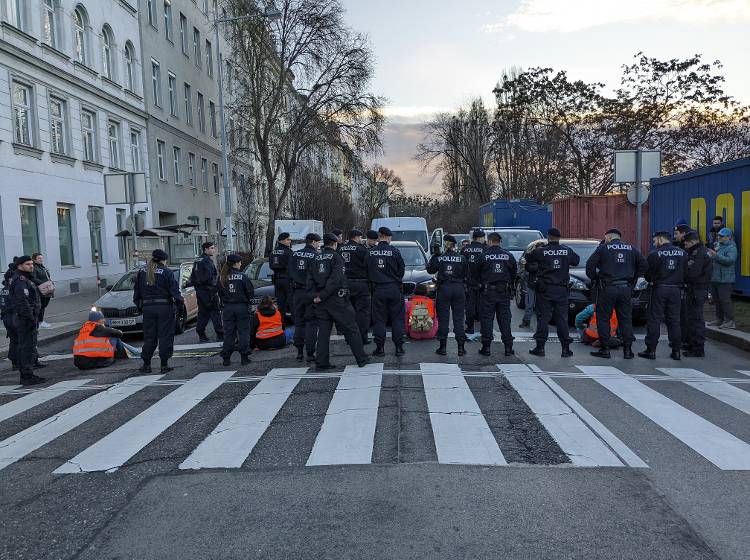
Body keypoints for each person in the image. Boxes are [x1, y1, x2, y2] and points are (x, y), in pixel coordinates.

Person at [309, 233, 370, 370]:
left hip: (319, 300)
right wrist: (324, 295)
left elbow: (310, 279)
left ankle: (321, 363)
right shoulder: (336, 257)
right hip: (336, 299)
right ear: (335, 243)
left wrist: (314, 296)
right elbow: (336, 280)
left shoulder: (316, 257)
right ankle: (361, 358)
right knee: (352, 328)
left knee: (324, 333)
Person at [585, 228, 647, 359]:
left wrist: (596, 278)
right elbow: (644, 266)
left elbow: (590, 266)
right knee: (625, 319)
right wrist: (632, 280)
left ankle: (605, 349)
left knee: (603, 318)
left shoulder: (603, 248)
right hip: (625, 288)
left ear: (608, 237)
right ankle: (628, 350)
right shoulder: (632, 248)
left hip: (607, 288)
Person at [525, 228, 580, 358]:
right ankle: (565, 349)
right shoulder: (566, 250)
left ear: (548, 237)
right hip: (561, 289)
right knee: (561, 319)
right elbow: (576, 261)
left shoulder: (541, 251)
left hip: (545, 289)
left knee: (543, 318)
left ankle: (540, 347)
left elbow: (528, 258)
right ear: (559, 237)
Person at [639, 231, 687, 360]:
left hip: (659, 289)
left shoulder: (655, 254)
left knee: (654, 319)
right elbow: (686, 272)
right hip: (676, 290)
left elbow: (648, 275)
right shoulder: (682, 253)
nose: (654, 243)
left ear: (660, 239)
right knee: (674, 321)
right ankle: (676, 351)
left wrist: (652, 279)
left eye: (655, 241)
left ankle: (651, 350)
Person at [134, 249, 184, 373]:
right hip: (164, 308)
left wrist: (141, 307)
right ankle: (164, 364)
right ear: (163, 260)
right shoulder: (166, 272)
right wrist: (180, 306)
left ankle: (146, 364)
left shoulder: (142, 271)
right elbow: (174, 291)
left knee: (150, 337)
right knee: (165, 336)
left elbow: (137, 292)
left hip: (148, 309)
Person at [368, 227, 406, 357]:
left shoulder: (371, 252)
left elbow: (366, 270)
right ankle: (399, 348)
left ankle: (380, 348)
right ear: (387, 237)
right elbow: (401, 270)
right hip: (394, 289)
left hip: (378, 289)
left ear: (379, 236)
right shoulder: (395, 251)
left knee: (379, 320)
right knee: (397, 319)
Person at [477, 232, 517, 357]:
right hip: (503, 292)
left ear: (489, 241)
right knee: (505, 319)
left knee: (487, 319)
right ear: (500, 242)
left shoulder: (484, 256)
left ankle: (486, 347)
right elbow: (514, 273)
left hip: (488, 292)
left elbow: (476, 272)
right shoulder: (508, 255)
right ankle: (508, 348)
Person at [427, 234, 467, 356]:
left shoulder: (440, 257)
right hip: (458, 289)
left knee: (443, 319)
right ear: (454, 245)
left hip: (444, 289)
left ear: (445, 244)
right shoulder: (461, 258)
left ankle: (442, 348)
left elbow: (430, 270)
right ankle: (461, 348)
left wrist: (435, 255)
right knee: (459, 319)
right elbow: (467, 274)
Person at [9, 256, 45, 385]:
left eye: (31, 264)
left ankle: (28, 374)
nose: (31, 266)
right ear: (20, 266)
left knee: (28, 347)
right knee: (26, 347)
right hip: (24, 319)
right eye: (28, 264)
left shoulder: (26, 278)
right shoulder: (20, 280)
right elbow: (23, 302)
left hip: (28, 318)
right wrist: (30, 318)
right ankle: (26, 376)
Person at [289, 232, 321, 362]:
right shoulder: (316, 256)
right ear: (313, 242)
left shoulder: (295, 254)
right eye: (318, 242)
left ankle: (299, 352)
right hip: (310, 292)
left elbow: (289, 273)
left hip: (297, 293)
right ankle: (310, 353)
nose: (319, 245)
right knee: (311, 323)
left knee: (299, 323)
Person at [73, 310, 140, 370]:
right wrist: (111, 330)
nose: (104, 320)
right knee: (115, 337)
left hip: (79, 363)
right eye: (102, 318)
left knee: (111, 336)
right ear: (98, 320)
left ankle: (135, 351)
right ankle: (129, 354)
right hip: (96, 362)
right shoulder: (100, 328)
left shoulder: (83, 330)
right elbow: (119, 334)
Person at [218, 254, 254, 366]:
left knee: (229, 333)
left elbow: (220, 293)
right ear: (236, 263)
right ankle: (244, 357)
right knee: (243, 332)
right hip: (241, 307)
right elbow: (250, 292)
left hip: (228, 308)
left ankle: (226, 358)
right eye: (239, 262)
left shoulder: (223, 277)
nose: (241, 264)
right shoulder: (242, 276)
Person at [339, 229, 371, 345]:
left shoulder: (340, 249)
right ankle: (362, 338)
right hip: (360, 283)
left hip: (344, 283)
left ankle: (349, 338)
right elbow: (367, 265)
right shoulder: (361, 249)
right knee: (362, 312)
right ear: (357, 237)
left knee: (348, 312)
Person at [683, 231, 712, 357]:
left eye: (687, 241)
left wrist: (683, 277)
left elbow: (693, 273)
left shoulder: (698, 253)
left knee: (696, 319)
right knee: (693, 318)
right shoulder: (701, 251)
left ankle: (698, 348)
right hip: (698, 288)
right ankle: (693, 344)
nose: (685, 244)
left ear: (693, 241)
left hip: (696, 289)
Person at [191, 241, 224, 343]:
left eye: (213, 248)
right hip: (209, 291)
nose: (213, 250)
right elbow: (210, 277)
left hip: (200, 291)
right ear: (206, 249)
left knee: (203, 313)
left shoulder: (197, 260)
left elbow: (193, 277)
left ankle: (201, 334)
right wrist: (215, 287)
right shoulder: (206, 261)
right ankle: (220, 334)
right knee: (215, 312)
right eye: (212, 248)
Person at [707, 227, 738, 329]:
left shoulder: (732, 248)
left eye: (721, 236)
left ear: (728, 237)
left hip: (725, 279)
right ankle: (719, 319)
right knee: (716, 300)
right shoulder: (718, 245)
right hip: (715, 277)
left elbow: (730, 261)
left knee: (725, 300)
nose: (719, 237)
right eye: (718, 235)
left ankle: (730, 321)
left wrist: (715, 255)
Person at [461, 229, 485, 336]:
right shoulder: (485, 249)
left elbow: (460, 265)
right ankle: (484, 328)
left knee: (470, 305)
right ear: (480, 238)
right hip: (482, 281)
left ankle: (469, 327)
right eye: (483, 237)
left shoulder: (465, 249)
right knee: (483, 305)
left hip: (469, 281)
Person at [519, 239, 546, 328]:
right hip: (532, 283)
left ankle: (540, 324)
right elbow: (529, 268)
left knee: (541, 306)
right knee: (529, 304)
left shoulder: (546, 258)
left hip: (542, 285)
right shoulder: (531, 258)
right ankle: (526, 321)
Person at [269, 232, 293, 321]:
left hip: (277, 280)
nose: (290, 241)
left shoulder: (273, 252)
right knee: (292, 304)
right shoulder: (288, 252)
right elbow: (292, 266)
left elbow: (271, 266)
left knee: (280, 305)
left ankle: (280, 326)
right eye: (288, 239)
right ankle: (296, 328)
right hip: (287, 279)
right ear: (282, 240)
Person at [1, 262, 18, 371]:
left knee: (13, 340)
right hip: (14, 317)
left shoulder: (3, 290)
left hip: (7, 317)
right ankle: (17, 362)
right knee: (18, 340)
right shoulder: (12, 290)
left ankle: (14, 361)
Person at [30, 253, 53, 328]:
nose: (41, 260)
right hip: (40, 290)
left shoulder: (42, 267)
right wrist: (44, 283)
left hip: (46, 288)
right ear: (34, 259)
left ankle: (40, 321)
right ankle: (39, 322)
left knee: (43, 306)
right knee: (40, 306)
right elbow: (33, 278)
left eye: (42, 258)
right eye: (39, 258)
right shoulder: (34, 267)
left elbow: (47, 276)